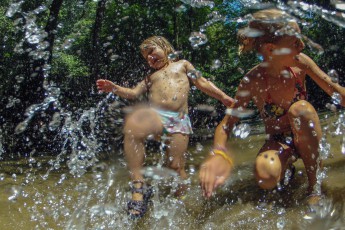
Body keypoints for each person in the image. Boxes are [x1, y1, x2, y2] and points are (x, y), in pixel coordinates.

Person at [199, 8, 345, 205]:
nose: (302, 46)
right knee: (264, 177)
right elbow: (227, 124)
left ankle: (313, 187)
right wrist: (218, 153)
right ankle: (286, 169)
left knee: (300, 109)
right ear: (270, 49)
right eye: (295, 42)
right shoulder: (252, 81)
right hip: (279, 141)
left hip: (306, 133)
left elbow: (336, 91)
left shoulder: (301, 63)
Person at [96, 36, 234, 218]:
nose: (150, 58)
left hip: (178, 120)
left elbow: (202, 82)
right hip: (156, 118)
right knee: (133, 126)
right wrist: (115, 88)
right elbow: (133, 93)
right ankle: (138, 185)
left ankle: (182, 200)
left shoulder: (183, 65)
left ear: (165, 47)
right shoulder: (150, 77)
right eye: (147, 57)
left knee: (175, 167)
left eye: (152, 51)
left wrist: (223, 97)